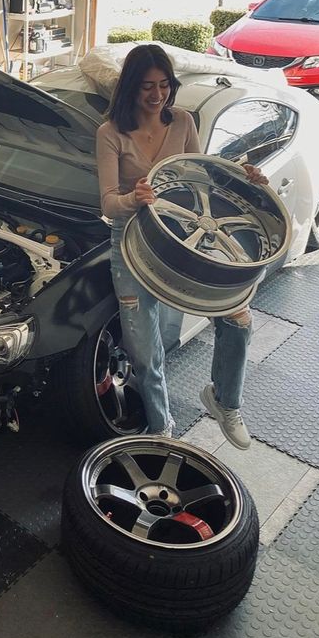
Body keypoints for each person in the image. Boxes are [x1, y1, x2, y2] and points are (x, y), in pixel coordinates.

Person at [96, 43, 268, 449]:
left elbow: (200, 178)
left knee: (238, 319)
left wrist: (242, 176)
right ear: (129, 90)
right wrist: (131, 199)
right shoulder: (110, 133)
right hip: (132, 244)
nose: (157, 96)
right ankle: (161, 428)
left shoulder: (184, 121)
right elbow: (106, 203)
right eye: (146, 87)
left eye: (164, 85)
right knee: (143, 352)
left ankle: (225, 400)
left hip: (181, 240)